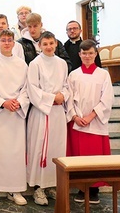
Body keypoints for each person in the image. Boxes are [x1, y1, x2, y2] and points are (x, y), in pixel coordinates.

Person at [0, 29, 29, 206]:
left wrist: (18, 102)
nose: (7, 43)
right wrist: (2, 102)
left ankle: (15, 189)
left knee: (15, 153)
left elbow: (27, 88)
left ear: (14, 43)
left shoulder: (22, 64)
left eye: (10, 40)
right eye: (3, 40)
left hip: (15, 113)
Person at [66, 39, 114, 204]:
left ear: (96, 54)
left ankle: (94, 190)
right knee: (80, 157)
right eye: (84, 53)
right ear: (79, 54)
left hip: (95, 123)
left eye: (90, 53)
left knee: (95, 157)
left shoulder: (103, 74)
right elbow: (69, 99)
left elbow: (107, 99)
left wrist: (90, 116)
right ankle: (81, 188)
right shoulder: (73, 75)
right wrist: (75, 117)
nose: (87, 56)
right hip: (78, 122)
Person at [26, 31, 69, 206]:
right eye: (45, 44)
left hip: (58, 113)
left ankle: (52, 184)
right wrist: (52, 98)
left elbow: (67, 85)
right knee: (40, 147)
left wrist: (63, 95)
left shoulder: (62, 64)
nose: (49, 47)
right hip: (42, 112)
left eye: (51, 43)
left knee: (56, 148)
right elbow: (32, 88)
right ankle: (39, 188)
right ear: (39, 46)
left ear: (56, 44)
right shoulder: (35, 64)